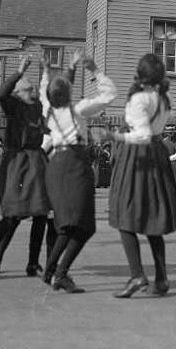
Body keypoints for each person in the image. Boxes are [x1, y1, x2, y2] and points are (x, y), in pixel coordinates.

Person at [94, 53, 176, 298]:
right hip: (157, 156)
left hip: (137, 158)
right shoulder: (164, 97)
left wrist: (114, 136)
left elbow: (142, 135)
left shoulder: (139, 99)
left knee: (124, 216)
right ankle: (161, 279)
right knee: (153, 221)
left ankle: (137, 275)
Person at [39, 52, 116, 292]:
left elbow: (47, 90)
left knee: (67, 225)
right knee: (85, 226)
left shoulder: (47, 110)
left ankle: (51, 270)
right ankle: (59, 272)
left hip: (55, 166)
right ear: (69, 93)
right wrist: (95, 70)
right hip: (75, 165)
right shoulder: (79, 110)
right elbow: (109, 94)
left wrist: (47, 73)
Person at [0, 57, 53, 281]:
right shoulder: (13, 106)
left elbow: (47, 94)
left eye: (32, 88)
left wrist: (46, 72)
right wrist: (19, 71)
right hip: (16, 164)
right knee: (12, 215)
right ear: (18, 93)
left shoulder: (37, 106)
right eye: (27, 89)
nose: (32, 91)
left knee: (41, 214)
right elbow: (2, 93)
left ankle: (33, 263)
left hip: (36, 162)